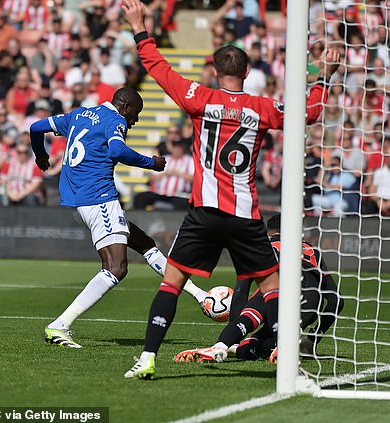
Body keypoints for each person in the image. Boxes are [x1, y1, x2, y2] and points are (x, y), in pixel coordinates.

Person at [121, 0, 340, 380]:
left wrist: (140, 27)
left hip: (204, 211)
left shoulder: (198, 98)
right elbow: (310, 113)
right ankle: (285, 351)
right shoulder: (262, 107)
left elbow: (157, 68)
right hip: (244, 214)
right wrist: (324, 76)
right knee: (272, 286)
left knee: (172, 283)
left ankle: (147, 359)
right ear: (247, 71)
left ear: (214, 69)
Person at [29, 87, 168, 348]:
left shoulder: (79, 114)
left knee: (144, 243)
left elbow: (36, 127)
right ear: (125, 107)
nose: (135, 121)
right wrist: (152, 163)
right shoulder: (114, 120)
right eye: (135, 114)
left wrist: (41, 155)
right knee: (116, 267)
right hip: (99, 198)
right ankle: (60, 325)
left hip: (77, 201)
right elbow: (117, 151)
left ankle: (200, 296)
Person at [174, 214, 343, 364]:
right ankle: (284, 346)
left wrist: (233, 332)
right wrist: (314, 337)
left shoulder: (260, 246)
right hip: (312, 299)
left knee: (252, 317)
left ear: (268, 233)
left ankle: (220, 346)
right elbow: (336, 301)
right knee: (249, 349)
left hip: (280, 284)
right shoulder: (313, 251)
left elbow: (241, 291)